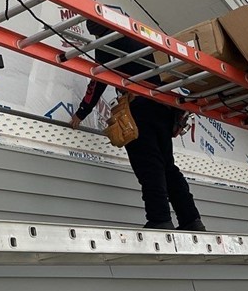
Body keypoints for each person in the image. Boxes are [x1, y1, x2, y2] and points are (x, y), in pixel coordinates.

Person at [69, 14, 206, 231]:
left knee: (149, 166)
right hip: (163, 107)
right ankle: (191, 220)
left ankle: (159, 219)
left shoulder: (106, 43)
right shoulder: (138, 37)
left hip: (140, 110)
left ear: (96, 31)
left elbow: (98, 82)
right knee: (167, 166)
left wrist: (80, 113)